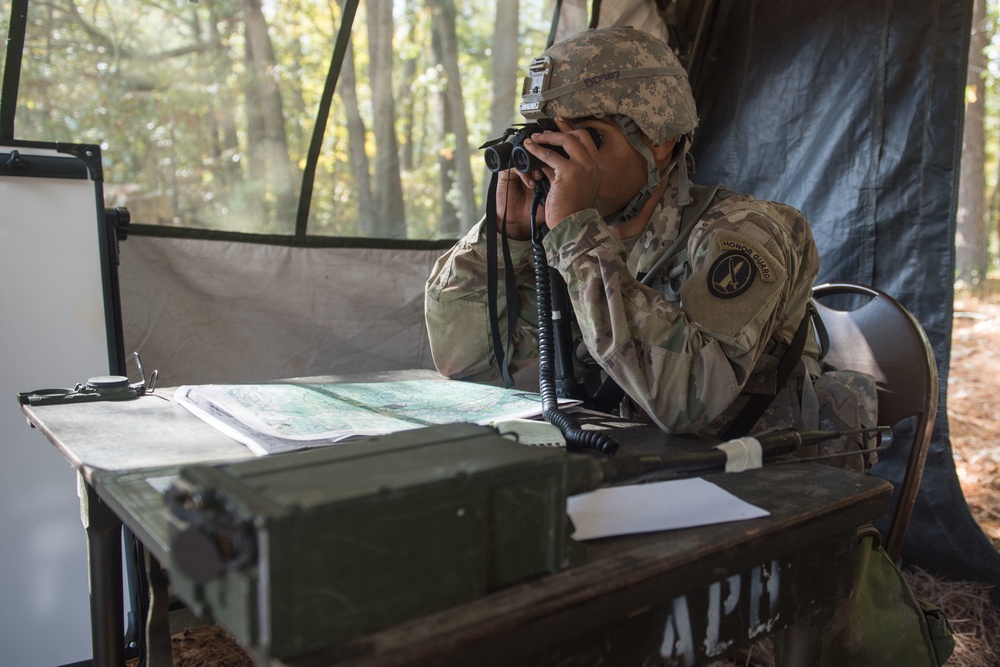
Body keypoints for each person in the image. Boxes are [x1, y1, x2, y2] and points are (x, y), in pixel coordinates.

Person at [424, 26, 875, 466]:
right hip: (635, 472)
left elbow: (688, 400)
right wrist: (506, 230)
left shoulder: (746, 231)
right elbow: (463, 358)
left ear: (659, 142)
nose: (558, 159)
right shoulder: (566, 237)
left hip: (762, 484)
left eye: (583, 137)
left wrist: (577, 237)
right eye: (545, 138)